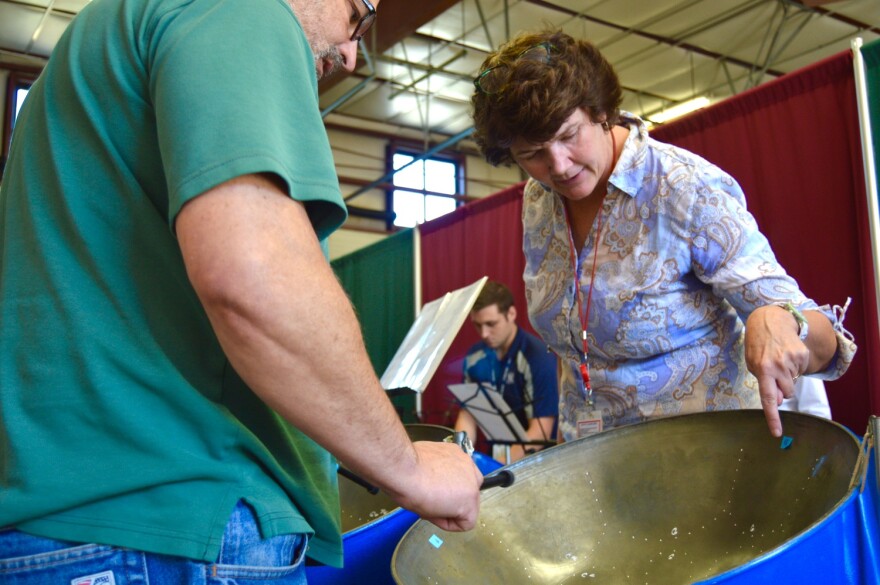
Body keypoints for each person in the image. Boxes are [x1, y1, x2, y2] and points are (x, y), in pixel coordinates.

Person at [0, 0, 482, 582]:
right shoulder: (243, 8)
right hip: (171, 530)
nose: (352, 54)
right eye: (360, 15)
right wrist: (411, 469)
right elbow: (254, 282)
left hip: (79, 522)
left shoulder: (110, 38)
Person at [470, 29, 857, 443]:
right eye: (532, 154)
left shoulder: (685, 188)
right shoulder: (537, 199)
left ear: (600, 111)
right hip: (593, 465)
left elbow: (826, 343)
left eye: (569, 136)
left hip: (706, 462)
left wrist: (783, 320)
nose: (559, 166)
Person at [454, 280, 558, 463]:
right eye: (477, 325)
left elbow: (541, 429)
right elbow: (468, 414)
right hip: (500, 456)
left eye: (491, 324)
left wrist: (496, 469)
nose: (484, 333)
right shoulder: (474, 356)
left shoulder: (538, 356)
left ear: (511, 314)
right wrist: (460, 459)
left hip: (538, 461)